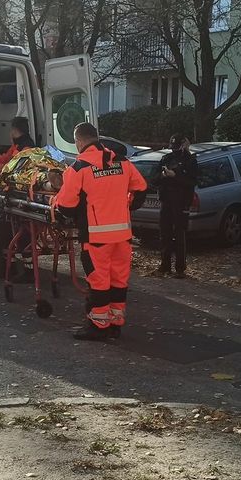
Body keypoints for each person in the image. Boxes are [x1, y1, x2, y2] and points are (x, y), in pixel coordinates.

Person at [54, 122, 147, 341]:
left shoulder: (79, 168)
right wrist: (126, 207)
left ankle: (98, 326)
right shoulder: (121, 162)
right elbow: (141, 188)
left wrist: (68, 212)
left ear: (79, 141)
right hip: (122, 236)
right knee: (118, 280)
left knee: (99, 282)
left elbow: (66, 206)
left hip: (96, 238)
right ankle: (115, 323)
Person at [153, 134, 198, 279]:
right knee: (164, 234)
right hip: (166, 201)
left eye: (177, 147)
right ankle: (165, 265)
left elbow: (191, 182)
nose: (174, 150)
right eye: (172, 147)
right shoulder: (166, 159)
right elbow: (153, 180)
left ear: (183, 145)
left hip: (181, 202)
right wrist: (163, 176)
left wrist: (175, 176)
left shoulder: (190, 161)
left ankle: (180, 268)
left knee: (179, 234)